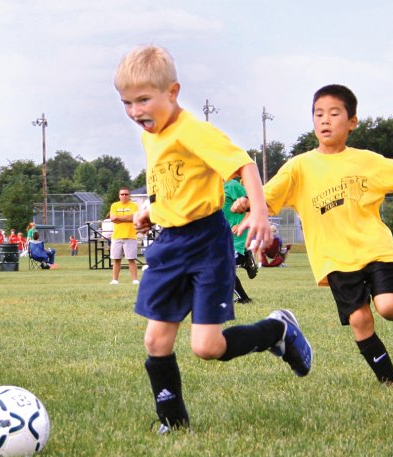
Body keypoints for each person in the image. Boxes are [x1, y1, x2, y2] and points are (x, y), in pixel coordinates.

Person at [114, 44, 312, 433]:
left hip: (206, 245)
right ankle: (173, 422)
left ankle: (277, 330)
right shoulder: (150, 136)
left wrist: (259, 212)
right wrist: (151, 210)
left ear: (172, 92)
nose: (135, 111)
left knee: (207, 347)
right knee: (155, 341)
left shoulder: (194, 131)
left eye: (143, 100)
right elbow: (172, 183)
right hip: (169, 246)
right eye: (127, 103)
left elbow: (244, 166)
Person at [253, 84, 393, 387]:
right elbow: (267, 198)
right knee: (359, 320)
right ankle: (390, 383)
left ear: (352, 122)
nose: (325, 120)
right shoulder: (299, 167)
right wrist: (247, 203)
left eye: (334, 113)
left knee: (390, 307)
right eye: (319, 114)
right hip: (334, 257)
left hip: (374, 248)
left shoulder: (367, 161)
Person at [224, 177, 257, 303]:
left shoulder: (231, 185)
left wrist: (241, 224)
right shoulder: (211, 190)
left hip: (237, 235)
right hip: (223, 237)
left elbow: (252, 204)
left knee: (222, 267)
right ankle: (244, 260)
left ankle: (244, 258)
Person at [108, 187, 140, 285]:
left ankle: (135, 280)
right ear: (119, 196)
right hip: (117, 236)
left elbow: (134, 217)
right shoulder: (114, 205)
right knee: (116, 259)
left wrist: (119, 218)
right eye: (122, 194)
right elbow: (113, 219)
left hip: (130, 236)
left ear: (129, 195)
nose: (124, 196)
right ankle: (115, 280)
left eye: (126, 194)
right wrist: (127, 218)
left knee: (131, 259)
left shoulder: (134, 205)